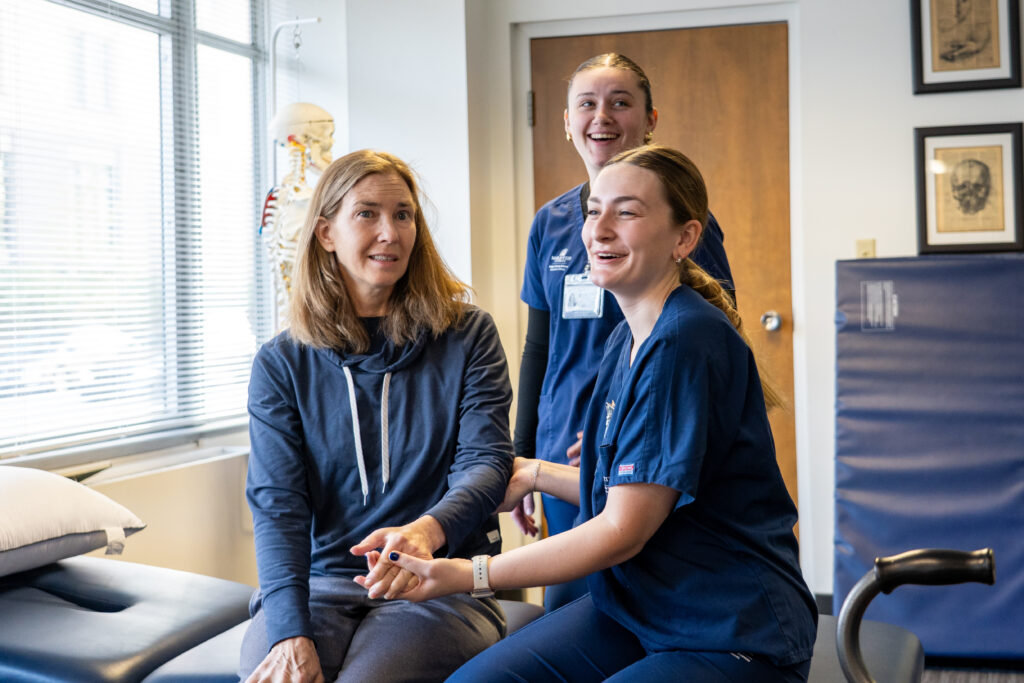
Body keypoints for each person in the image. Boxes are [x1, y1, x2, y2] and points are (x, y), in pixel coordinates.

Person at [369, 145, 817, 682]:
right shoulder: (625, 338)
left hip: (728, 627)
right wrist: (534, 472)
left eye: (626, 212)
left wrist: (469, 574)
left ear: (685, 238)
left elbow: (621, 528)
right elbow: (635, 488)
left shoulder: (683, 342)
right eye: (593, 210)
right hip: (640, 607)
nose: (598, 230)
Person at [241, 149, 514, 682]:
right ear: (326, 233)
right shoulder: (281, 362)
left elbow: (486, 463)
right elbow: (278, 505)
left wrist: (428, 531)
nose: (391, 232)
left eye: (404, 214)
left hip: (439, 579)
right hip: (322, 584)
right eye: (367, 213)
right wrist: (289, 631)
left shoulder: (468, 335)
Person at [513, 53, 736, 611]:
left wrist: (629, 432)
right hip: (562, 451)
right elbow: (539, 347)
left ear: (650, 118)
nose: (601, 116)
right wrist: (521, 459)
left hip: (644, 451)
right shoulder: (551, 223)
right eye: (586, 103)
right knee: (568, 612)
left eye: (620, 102)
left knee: (640, 610)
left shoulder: (681, 221)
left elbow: (718, 338)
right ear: (566, 121)